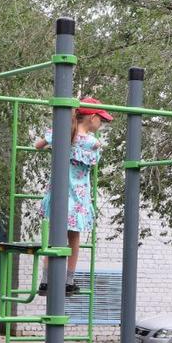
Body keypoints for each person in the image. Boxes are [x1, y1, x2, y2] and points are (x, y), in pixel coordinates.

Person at [35, 97, 113, 296]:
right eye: (101, 120)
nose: (101, 124)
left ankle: (45, 280)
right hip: (78, 197)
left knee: (54, 239)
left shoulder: (62, 132)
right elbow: (93, 154)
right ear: (92, 118)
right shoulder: (92, 142)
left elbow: (38, 145)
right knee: (74, 239)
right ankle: (68, 280)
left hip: (58, 193)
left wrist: (53, 142)